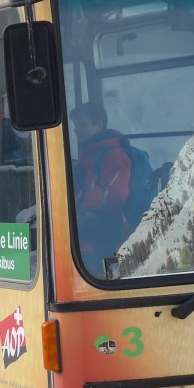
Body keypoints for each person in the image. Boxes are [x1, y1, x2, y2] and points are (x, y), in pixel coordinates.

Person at [71, 102, 131, 274]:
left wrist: (76, 203)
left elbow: (115, 194)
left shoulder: (113, 153)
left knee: (112, 283)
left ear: (98, 125)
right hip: (89, 239)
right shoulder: (89, 152)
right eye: (75, 125)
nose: (76, 129)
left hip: (108, 238)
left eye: (82, 124)